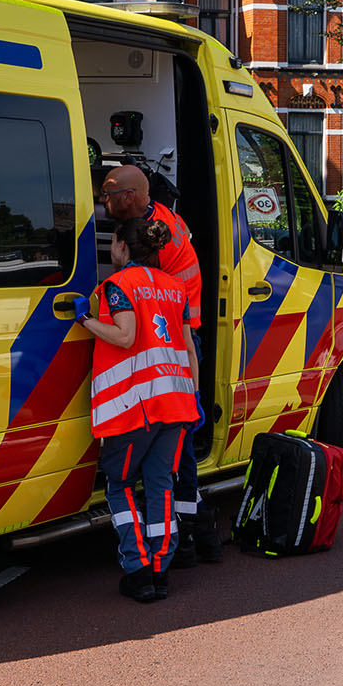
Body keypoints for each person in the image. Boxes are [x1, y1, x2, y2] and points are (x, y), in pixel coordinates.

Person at [101, 164, 223, 564]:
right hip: (177, 341)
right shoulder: (156, 222)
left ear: (131, 198)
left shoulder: (153, 245)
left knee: (178, 454)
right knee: (173, 453)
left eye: (108, 194)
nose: (103, 202)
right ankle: (189, 537)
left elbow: (135, 313)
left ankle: (191, 536)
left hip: (169, 342)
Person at [79, 215, 200, 602]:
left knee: (120, 486)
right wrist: (192, 397)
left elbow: (125, 336)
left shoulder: (117, 286)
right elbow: (189, 349)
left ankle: (137, 568)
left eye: (112, 243)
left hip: (135, 407)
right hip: (177, 404)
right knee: (161, 485)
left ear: (123, 247)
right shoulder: (174, 286)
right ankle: (161, 569)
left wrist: (85, 319)